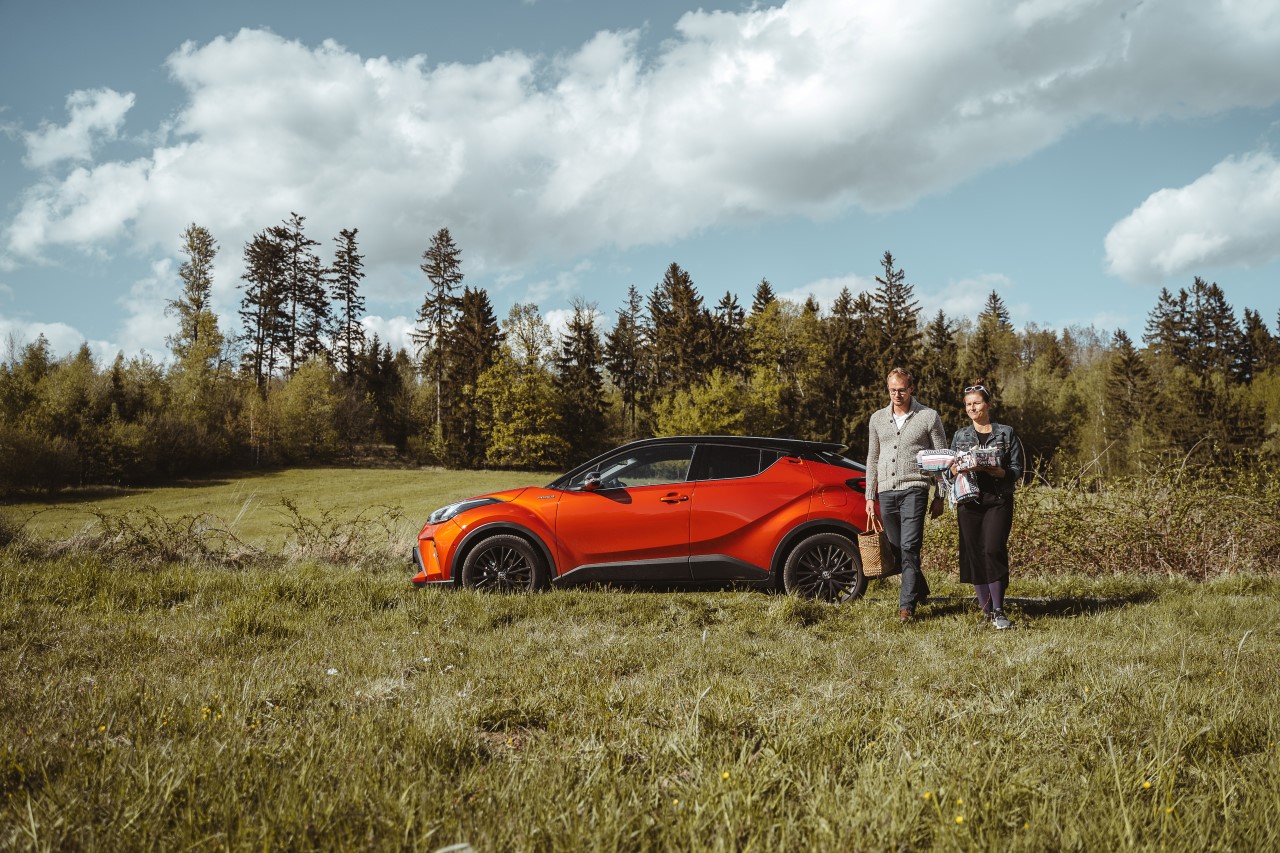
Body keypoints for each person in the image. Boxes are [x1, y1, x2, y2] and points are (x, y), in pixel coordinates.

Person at [865, 367, 948, 624]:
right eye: (892, 390)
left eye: (901, 390)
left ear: (911, 389)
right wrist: (869, 495)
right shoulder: (877, 419)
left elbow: (941, 457)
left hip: (915, 488)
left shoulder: (928, 416)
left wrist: (940, 495)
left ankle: (906, 607)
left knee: (911, 546)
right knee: (897, 549)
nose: (897, 395)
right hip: (886, 490)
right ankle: (920, 589)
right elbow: (872, 458)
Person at [950, 380, 1024, 630]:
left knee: (992, 549)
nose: (972, 408)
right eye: (968, 404)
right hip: (968, 500)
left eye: (977, 403)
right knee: (974, 553)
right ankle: (986, 612)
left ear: (988, 405)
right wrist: (954, 469)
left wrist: (1001, 472)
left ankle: (999, 610)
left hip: (998, 500)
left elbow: (1017, 468)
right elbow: (950, 470)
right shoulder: (960, 435)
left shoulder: (1006, 433)